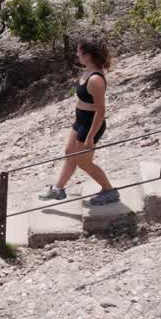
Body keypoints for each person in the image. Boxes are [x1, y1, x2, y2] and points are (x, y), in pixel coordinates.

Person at [38, 38, 120, 205]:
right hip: (81, 120)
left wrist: (90, 137)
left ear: (88, 55)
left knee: (83, 162)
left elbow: (100, 111)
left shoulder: (95, 79)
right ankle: (58, 190)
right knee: (69, 153)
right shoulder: (87, 71)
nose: (76, 54)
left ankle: (109, 190)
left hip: (91, 125)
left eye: (79, 51)